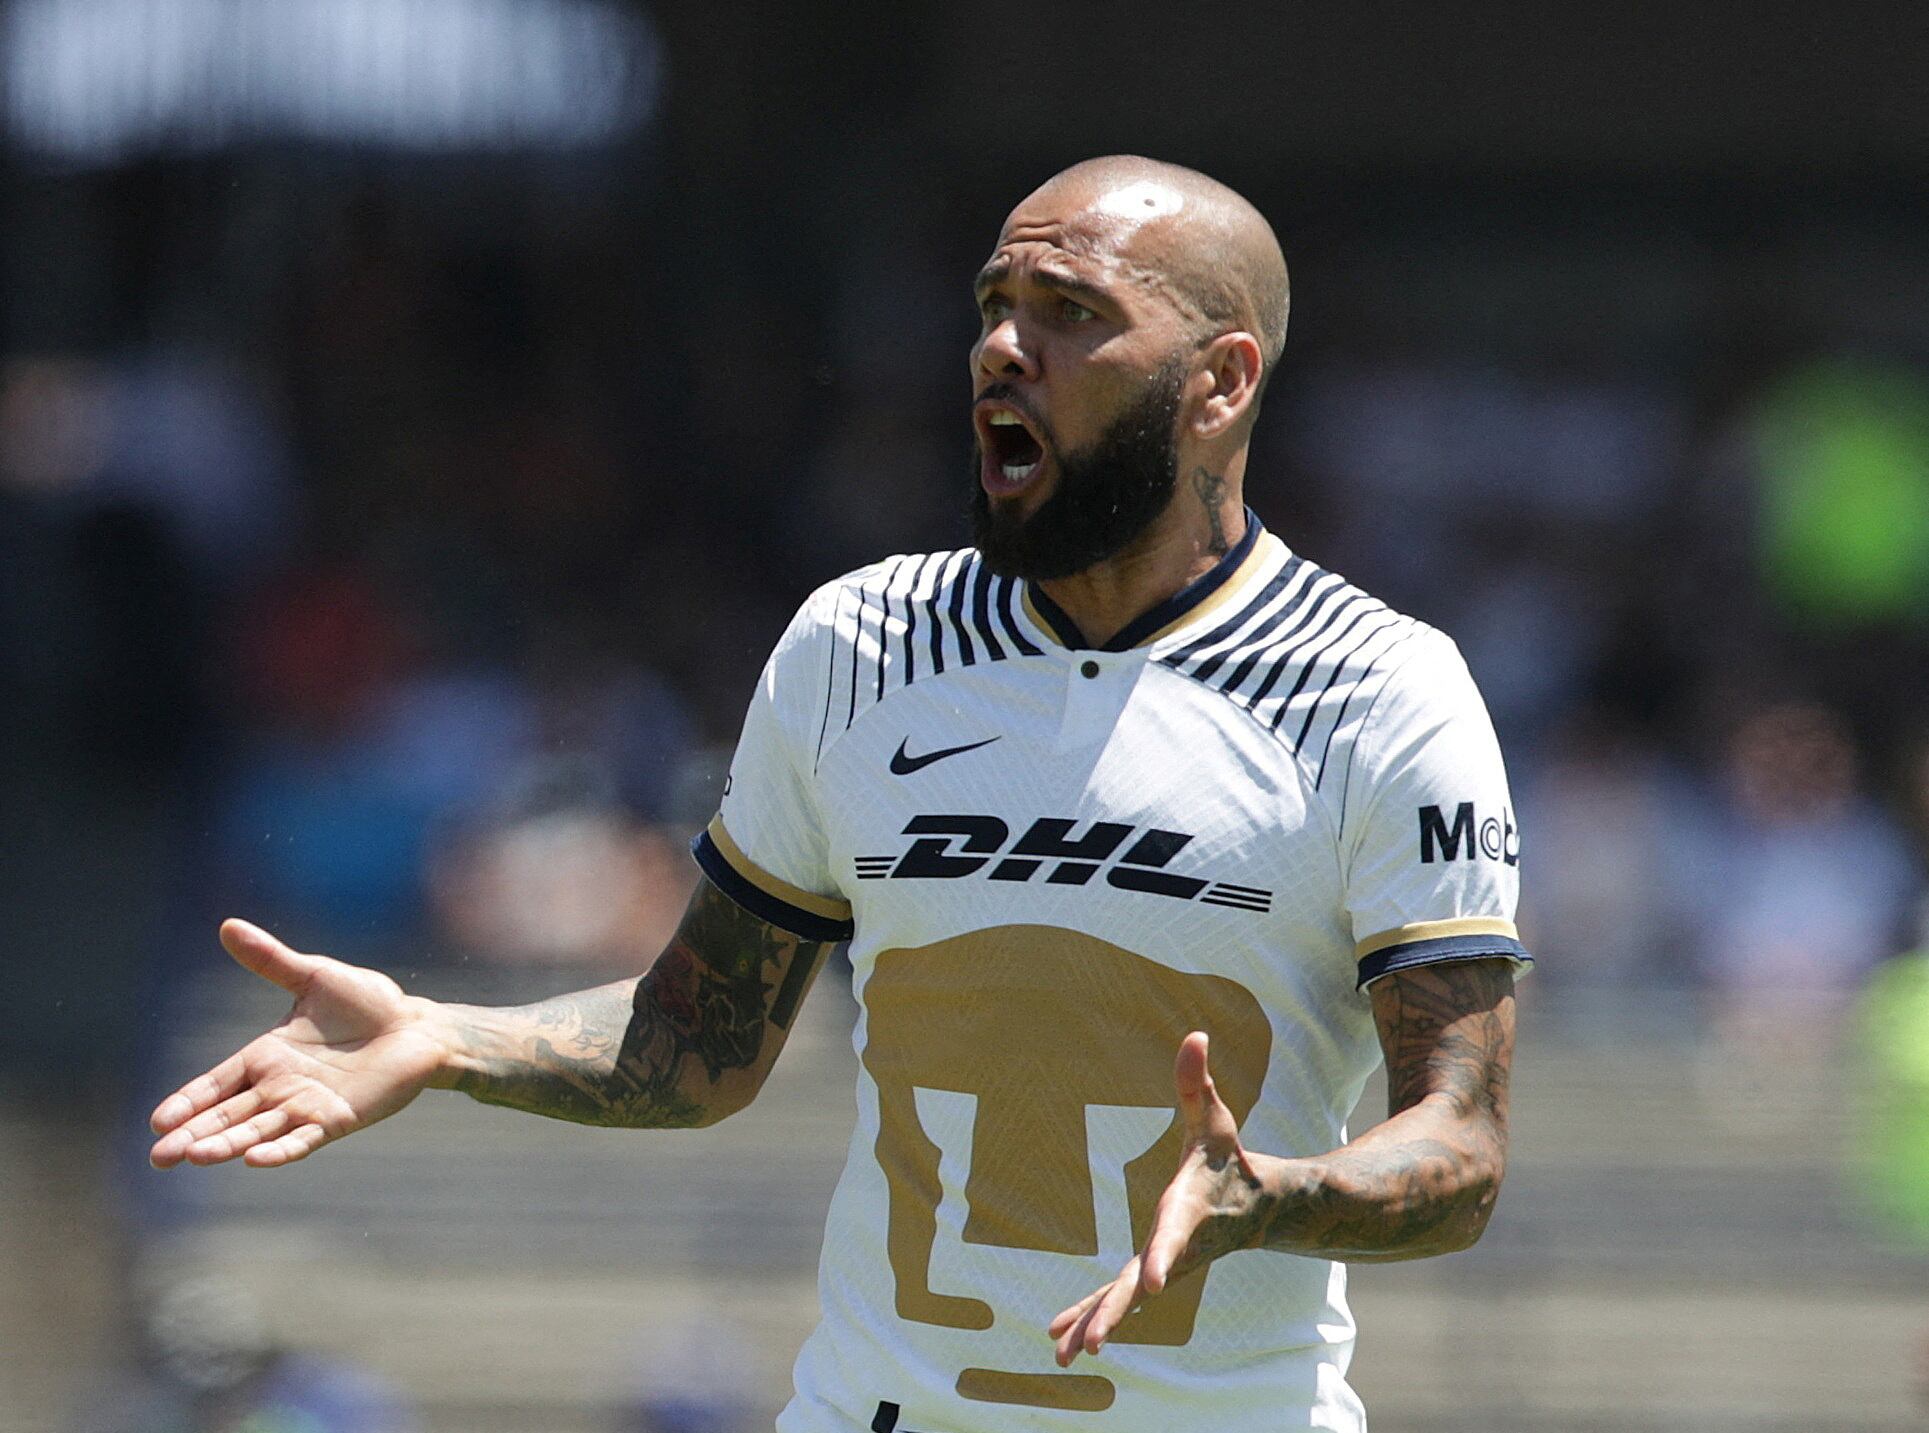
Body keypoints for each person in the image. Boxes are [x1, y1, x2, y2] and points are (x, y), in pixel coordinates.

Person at [150, 156, 1530, 1433]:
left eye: (1067, 310)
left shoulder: (1379, 690)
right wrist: (443, 1036)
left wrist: (1272, 1196)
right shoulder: (858, 647)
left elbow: (1458, 1145)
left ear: (1219, 382)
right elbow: (691, 1047)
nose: (1002, 345)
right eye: (995, 304)